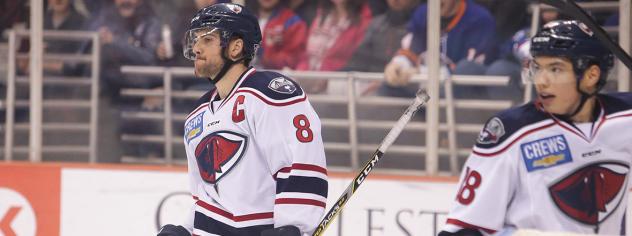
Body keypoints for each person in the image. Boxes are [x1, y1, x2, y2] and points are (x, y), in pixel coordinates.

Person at [439, 20, 632, 235]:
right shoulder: (511, 131)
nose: (541, 80)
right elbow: (462, 229)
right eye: (537, 67)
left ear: (591, 76)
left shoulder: (626, 118)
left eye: (555, 69)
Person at [157, 3, 328, 236]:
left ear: (236, 47)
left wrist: (296, 228)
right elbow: (207, 195)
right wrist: (187, 229)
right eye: (195, 40)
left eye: (207, 40)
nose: (196, 48)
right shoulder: (196, 116)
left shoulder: (268, 94)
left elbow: (300, 164)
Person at [382, 0, 497, 98]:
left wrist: (420, 72)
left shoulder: (480, 18)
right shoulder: (422, 13)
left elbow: (469, 69)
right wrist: (400, 64)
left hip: (461, 101)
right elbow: (411, 50)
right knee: (389, 84)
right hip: (425, 95)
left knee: (466, 69)